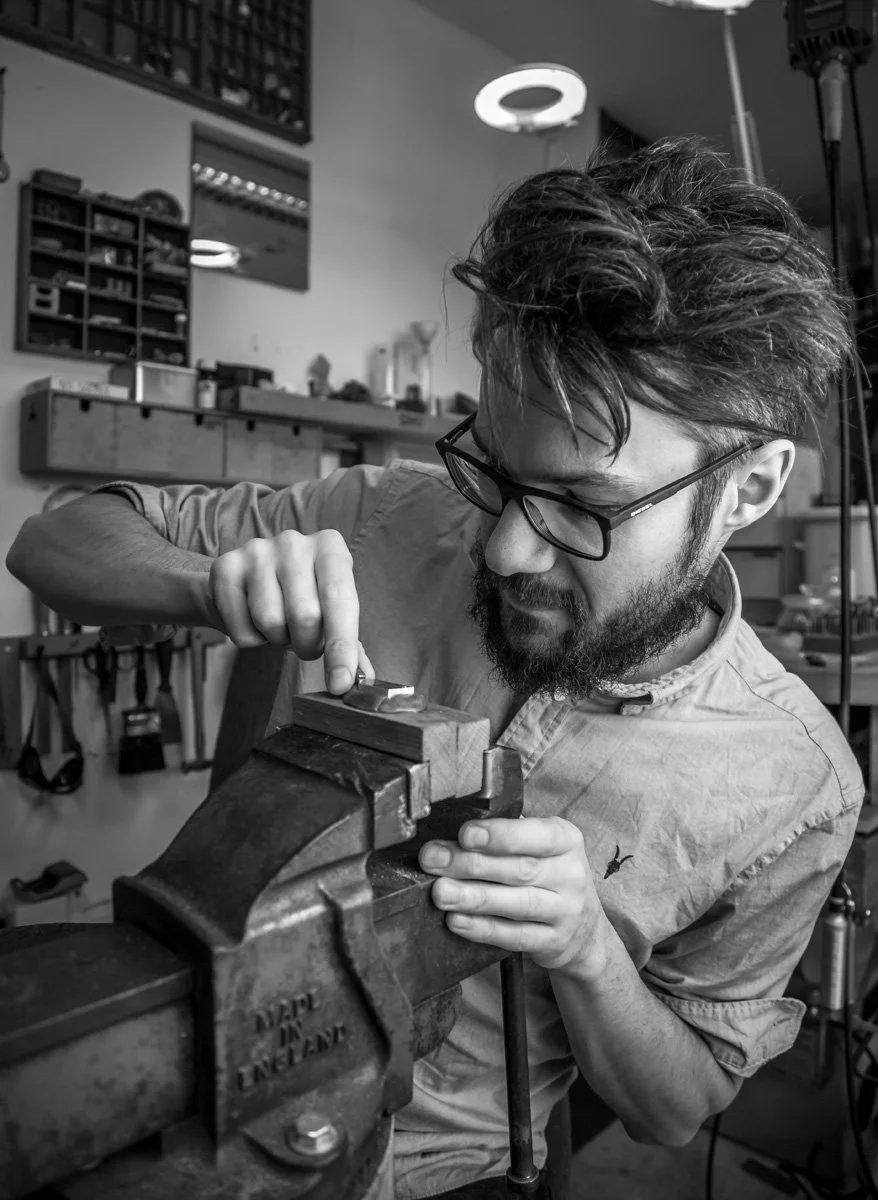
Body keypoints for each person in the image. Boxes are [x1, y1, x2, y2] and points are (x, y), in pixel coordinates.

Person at [8, 135, 865, 1200]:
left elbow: (673, 1109)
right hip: (210, 1118)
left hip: (457, 1173)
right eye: (493, 473)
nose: (503, 549)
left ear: (747, 489)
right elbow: (50, 542)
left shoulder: (794, 782)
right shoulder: (379, 516)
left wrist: (587, 950)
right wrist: (204, 586)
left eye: (583, 507)